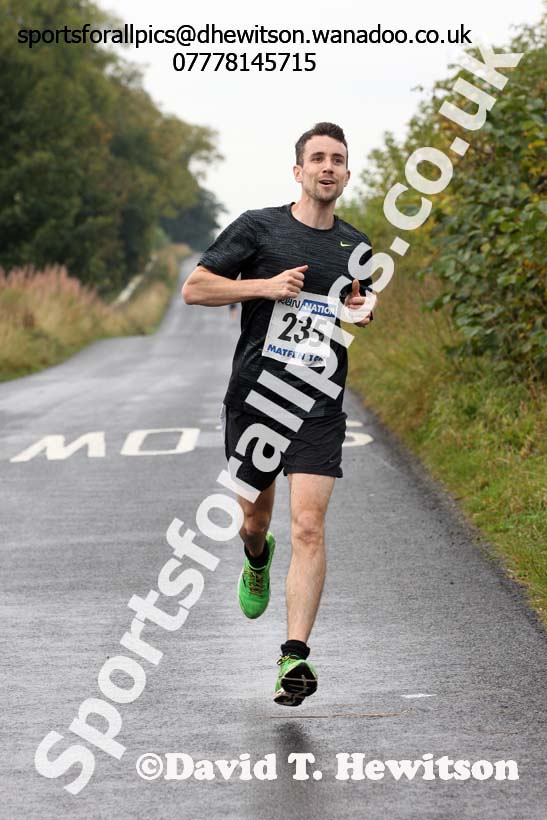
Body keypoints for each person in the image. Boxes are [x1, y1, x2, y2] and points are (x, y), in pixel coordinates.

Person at [182, 122, 376, 707]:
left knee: (310, 527)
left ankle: (293, 657)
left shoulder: (356, 245)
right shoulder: (258, 227)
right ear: (298, 171)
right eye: (317, 158)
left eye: (337, 159)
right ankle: (255, 560)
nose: (327, 167)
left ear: (346, 173)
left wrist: (361, 311)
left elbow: (354, 303)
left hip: (318, 405)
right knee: (257, 522)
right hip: (256, 402)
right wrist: (264, 287)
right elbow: (196, 289)